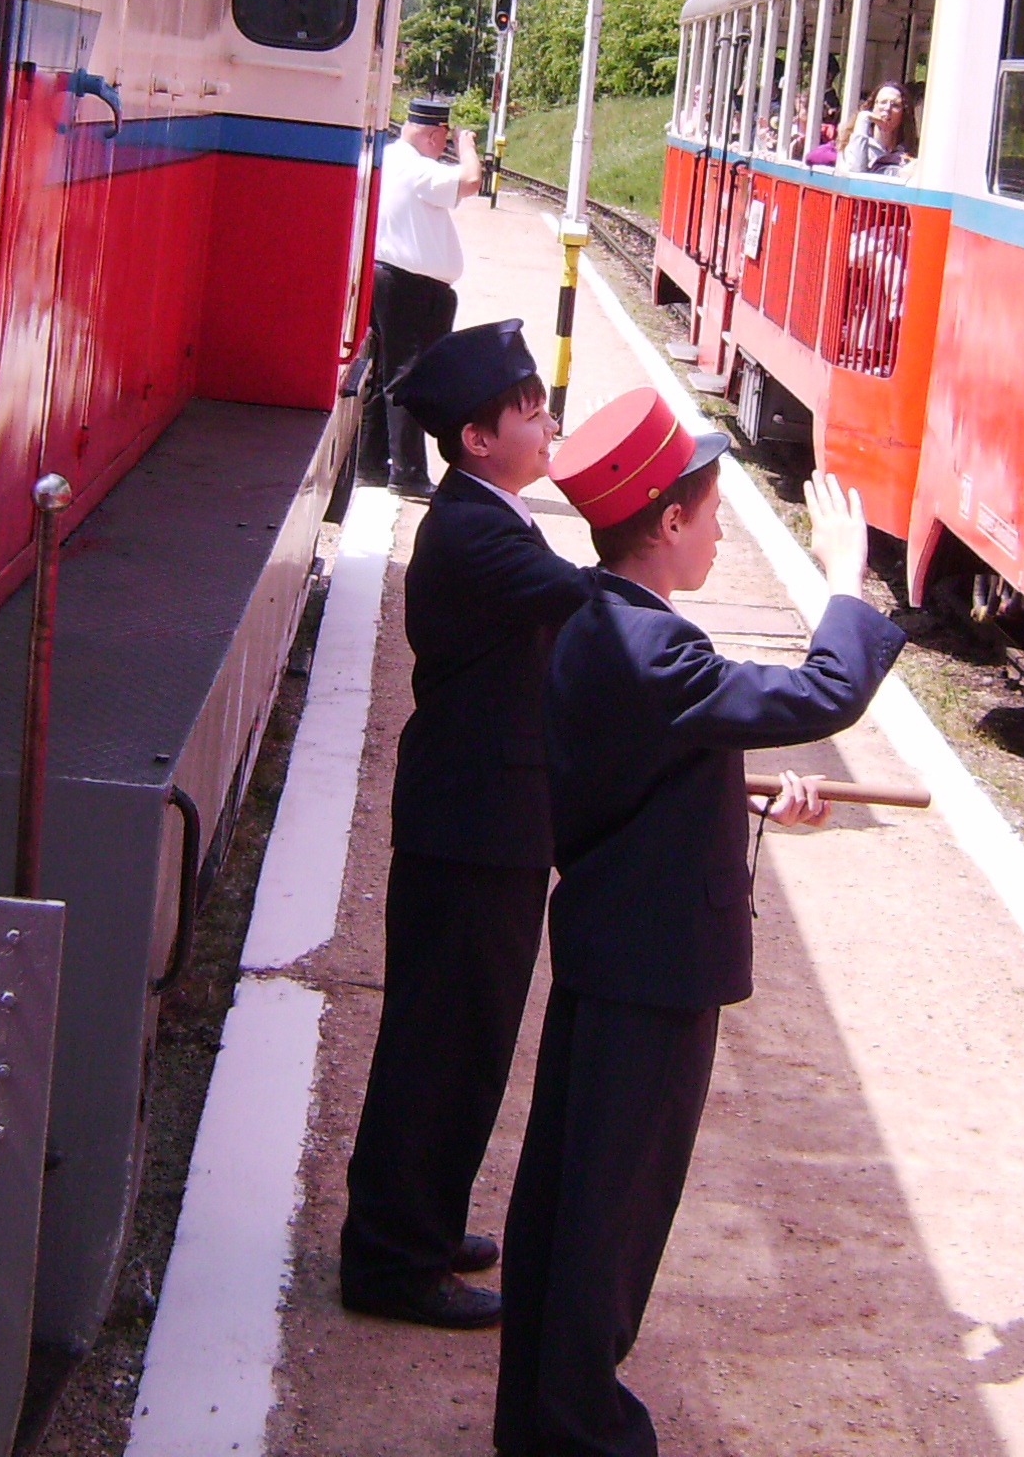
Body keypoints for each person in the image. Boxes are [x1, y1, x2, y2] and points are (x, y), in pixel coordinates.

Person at [494, 391, 908, 1457]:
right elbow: (821, 695)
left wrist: (752, 796)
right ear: (667, 523)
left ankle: (540, 1418)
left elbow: (651, 769)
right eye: (713, 510)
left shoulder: (604, 626)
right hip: (653, 968)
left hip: (614, 947)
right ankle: (580, 1430)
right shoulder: (655, 654)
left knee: (566, 1193)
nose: (723, 528)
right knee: (613, 1218)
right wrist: (841, 580)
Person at [339, 321, 595, 1329]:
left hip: (487, 817)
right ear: (479, 437)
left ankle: (425, 1224)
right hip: (473, 824)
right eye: (530, 411)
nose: (547, 424)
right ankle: (394, 1264)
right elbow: (587, 600)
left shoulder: (487, 513)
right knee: (441, 1046)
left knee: (466, 1040)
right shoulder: (479, 532)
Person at [366, 94, 484, 495]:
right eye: (444, 139)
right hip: (410, 285)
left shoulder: (394, 158)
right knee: (408, 378)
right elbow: (470, 181)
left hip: (396, 280)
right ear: (436, 135)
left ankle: (373, 463)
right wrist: (467, 147)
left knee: (386, 373)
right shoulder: (415, 168)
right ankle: (408, 472)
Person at [848, 79, 912, 174]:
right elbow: (855, 172)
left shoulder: (906, 153)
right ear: (873, 107)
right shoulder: (858, 144)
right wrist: (863, 118)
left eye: (895, 105)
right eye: (883, 102)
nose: (887, 108)